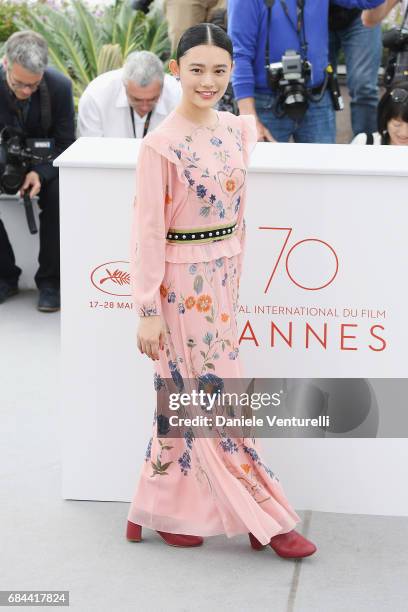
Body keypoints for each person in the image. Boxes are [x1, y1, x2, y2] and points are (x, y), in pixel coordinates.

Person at [126, 22, 317, 558]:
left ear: (232, 71)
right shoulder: (159, 146)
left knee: (182, 396)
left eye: (219, 70)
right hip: (180, 286)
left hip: (224, 279)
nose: (208, 81)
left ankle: (157, 504)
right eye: (196, 70)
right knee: (215, 395)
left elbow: (236, 214)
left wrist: (230, 276)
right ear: (175, 70)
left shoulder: (240, 131)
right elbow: (145, 230)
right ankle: (266, 517)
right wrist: (146, 307)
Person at [227, 0, 385, 144]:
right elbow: (239, 55)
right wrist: (249, 117)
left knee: (322, 173)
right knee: (262, 174)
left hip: (316, 98)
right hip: (265, 102)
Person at [0, 30, 75, 311]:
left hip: (46, 164)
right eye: (20, 84)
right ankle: (4, 276)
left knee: (59, 197)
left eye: (33, 85)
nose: (26, 91)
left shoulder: (59, 87)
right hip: (3, 161)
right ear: (6, 63)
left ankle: (50, 283)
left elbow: (67, 143)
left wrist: (40, 173)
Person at [78, 51, 182, 138]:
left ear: (163, 85)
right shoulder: (96, 96)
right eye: (136, 99)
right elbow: (90, 152)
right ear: (124, 85)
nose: (145, 107)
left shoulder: (179, 96)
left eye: (152, 99)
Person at [329, 6, 382, 137]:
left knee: (364, 86)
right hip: (316, 11)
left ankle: (366, 147)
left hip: (362, 9)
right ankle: (322, 151)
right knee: (320, 87)